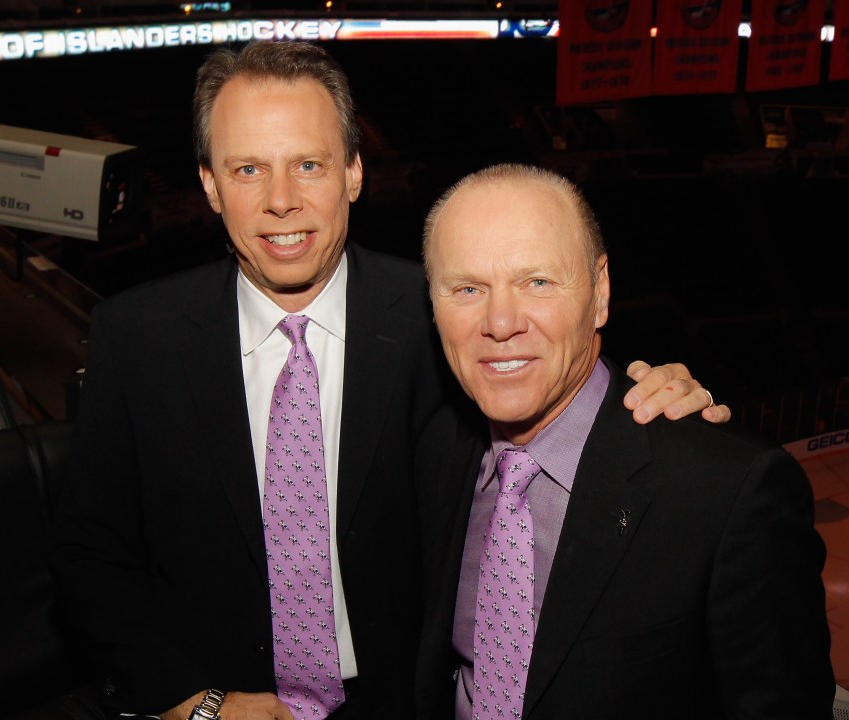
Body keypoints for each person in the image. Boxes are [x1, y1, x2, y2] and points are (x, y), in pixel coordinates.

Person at [48, 41, 727, 720]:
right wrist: (195, 701)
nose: (281, 201)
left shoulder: (444, 319)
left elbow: (555, 374)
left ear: (353, 171)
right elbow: (90, 555)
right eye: (249, 168)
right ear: (209, 184)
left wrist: (651, 395)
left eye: (308, 165)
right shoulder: (136, 337)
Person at [415, 163, 835, 719]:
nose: (499, 322)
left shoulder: (726, 493)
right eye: (467, 288)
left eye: (536, 282)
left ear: (600, 290)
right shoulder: (429, 449)